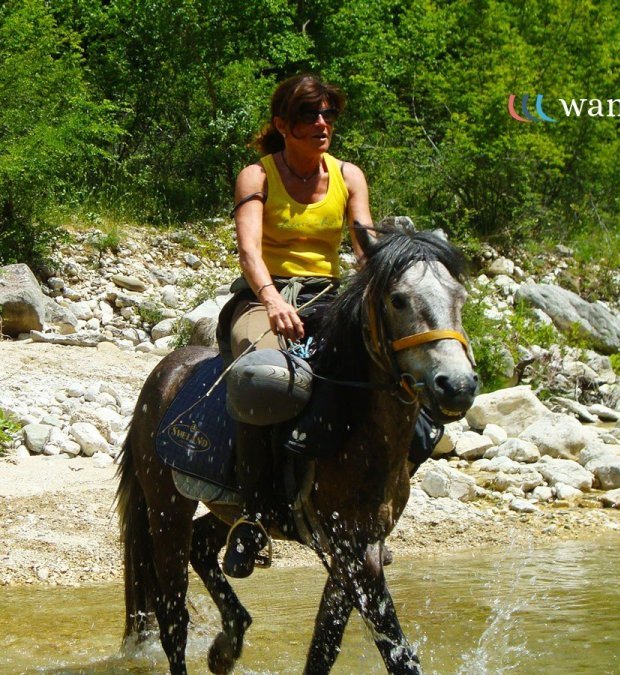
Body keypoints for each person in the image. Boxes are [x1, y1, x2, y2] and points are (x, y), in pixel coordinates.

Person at [222, 73, 373, 578]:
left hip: (329, 298)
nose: (322, 123)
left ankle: (364, 503)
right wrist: (271, 301)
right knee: (260, 377)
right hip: (264, 296)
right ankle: (252, 515)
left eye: (329, 113)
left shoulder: (350, 176)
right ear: (283, 125)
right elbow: (248, 250)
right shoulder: (257, 176)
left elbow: (363, 245)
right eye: (310, 115)